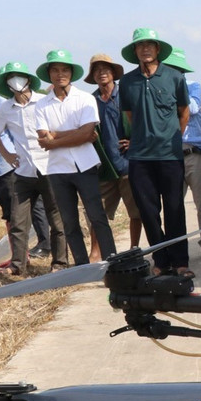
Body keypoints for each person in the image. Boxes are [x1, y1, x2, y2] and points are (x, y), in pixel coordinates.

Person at [119, 28, 193, 278]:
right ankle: (161, 260)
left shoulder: (174, 77)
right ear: (135, 51)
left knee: (174, 209)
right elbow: (130, 115)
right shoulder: (127, 82)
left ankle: (180, 261)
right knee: (149, 212)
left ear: (158, 49)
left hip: (170, 155)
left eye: (150, 44)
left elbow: (184, 112)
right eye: (140, 45)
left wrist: (171, 137)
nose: (145, 49)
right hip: (140, 157)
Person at [34, 50, 118, 266]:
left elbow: (87, 132)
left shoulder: (85, 99)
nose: (60, 74)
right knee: (69, 221)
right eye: (55, 70)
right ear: (49, 74)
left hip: (85, 165)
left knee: (97, 216)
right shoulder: (42, 105)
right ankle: (81, 266)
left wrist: (55, 139)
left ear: (71, 73)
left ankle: (112, 262)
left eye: (64, 70)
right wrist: (78, 135)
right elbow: (44, 136)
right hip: (57, 169)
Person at [0, 62, 67, 275]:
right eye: (10, 77)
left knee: (56, 219)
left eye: (19, 76)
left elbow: (59, 128)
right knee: (18, 220)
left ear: (28, 79)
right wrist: (7, 155)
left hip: (48, 168)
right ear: (6, 83)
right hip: (23, 171)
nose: (16, 81)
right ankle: (18, 265)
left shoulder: (43, 102)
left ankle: (59, 263)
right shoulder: (6, 108)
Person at [84, 53, 143, 261]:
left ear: (113, 73)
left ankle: (134, 248)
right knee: (98, 213)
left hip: (128, 164)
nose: (102, 73)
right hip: (104, 166)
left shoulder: (126, 95)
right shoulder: (90, 101)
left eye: (105, 69)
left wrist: (135, 141)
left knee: (136, 211)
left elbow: (143, 121)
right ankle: (96, 252)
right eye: (97, 70)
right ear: (93, 76)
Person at [162, 47, 201, 260]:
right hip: (172, 154)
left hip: (195, 153)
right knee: (173, 204)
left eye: (175, 69)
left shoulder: (193, 86)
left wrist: (171, 92)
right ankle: (176, 245)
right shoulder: (160, 89)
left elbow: (191, 108)